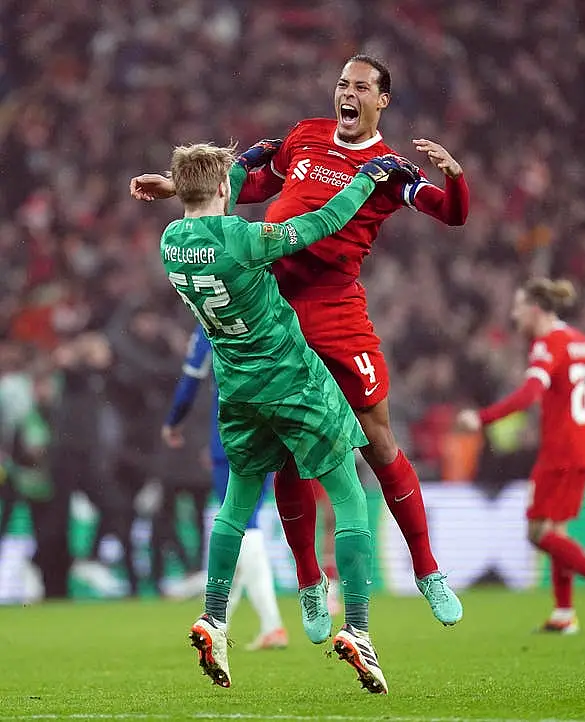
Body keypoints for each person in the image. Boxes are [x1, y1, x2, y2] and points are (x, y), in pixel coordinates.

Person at [131, 54, 467, 633]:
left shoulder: (390, 168)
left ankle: (428, 570)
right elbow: (250, 183)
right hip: (279, 312)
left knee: (378, 437)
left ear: (381, 100)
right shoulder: (305, 136)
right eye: (342, 83)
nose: (348, 92)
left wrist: (456, 178)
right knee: (285, 450)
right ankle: (310, 583)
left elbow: (451, 214)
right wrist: (178, 190)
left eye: (361, 86)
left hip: (337, 310)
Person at [158, 141, 420, 692]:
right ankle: (360, 628)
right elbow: (322, 222)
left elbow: (206, 197)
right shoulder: (245, 240)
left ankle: (215, 617)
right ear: (227, 189)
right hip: (291, 379)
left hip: (237, 390)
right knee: (348, 493)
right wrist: (366, 179)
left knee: (235, 502)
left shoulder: (170, 243)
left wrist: (230, 166)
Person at [456, 279, 585, 634]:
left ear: (535, 309)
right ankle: (564, 613)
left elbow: (529, 394)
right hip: (581, 450)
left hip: (561, 452)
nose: (514, 314)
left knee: (537, 533)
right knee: (557, 531)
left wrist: (482, 417)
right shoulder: (581, 341)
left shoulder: (547, 344)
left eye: (518, 307)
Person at [162, 323, 288, 651]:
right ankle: (221, 618)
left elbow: (191, 378)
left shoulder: (207, 322)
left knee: (242, 525)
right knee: (248, 523)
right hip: (270, 429)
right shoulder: (263, 309)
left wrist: (174, 420)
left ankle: (271, 623)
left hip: (230, 435)